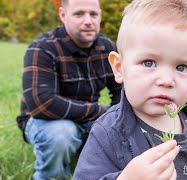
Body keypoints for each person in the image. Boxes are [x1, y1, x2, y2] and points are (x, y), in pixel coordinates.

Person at [73, 0, 187, 179]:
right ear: (119, 68)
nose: (167, 81)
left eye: (181, 67)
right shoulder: (107, 132)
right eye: (149, 63)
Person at [15, 0, 122, 179]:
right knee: (62, 133)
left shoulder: (107, 48)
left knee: (119, 125)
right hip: (44, 121)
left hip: (87, 118)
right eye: (79, 14)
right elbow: (42, 104)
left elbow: (121, 91)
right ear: (63, 15)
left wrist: (114, 118)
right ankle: (49, 176)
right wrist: (99, 111)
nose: (88, 20)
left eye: (93, 14)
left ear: (100, 16)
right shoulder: (43, 47)